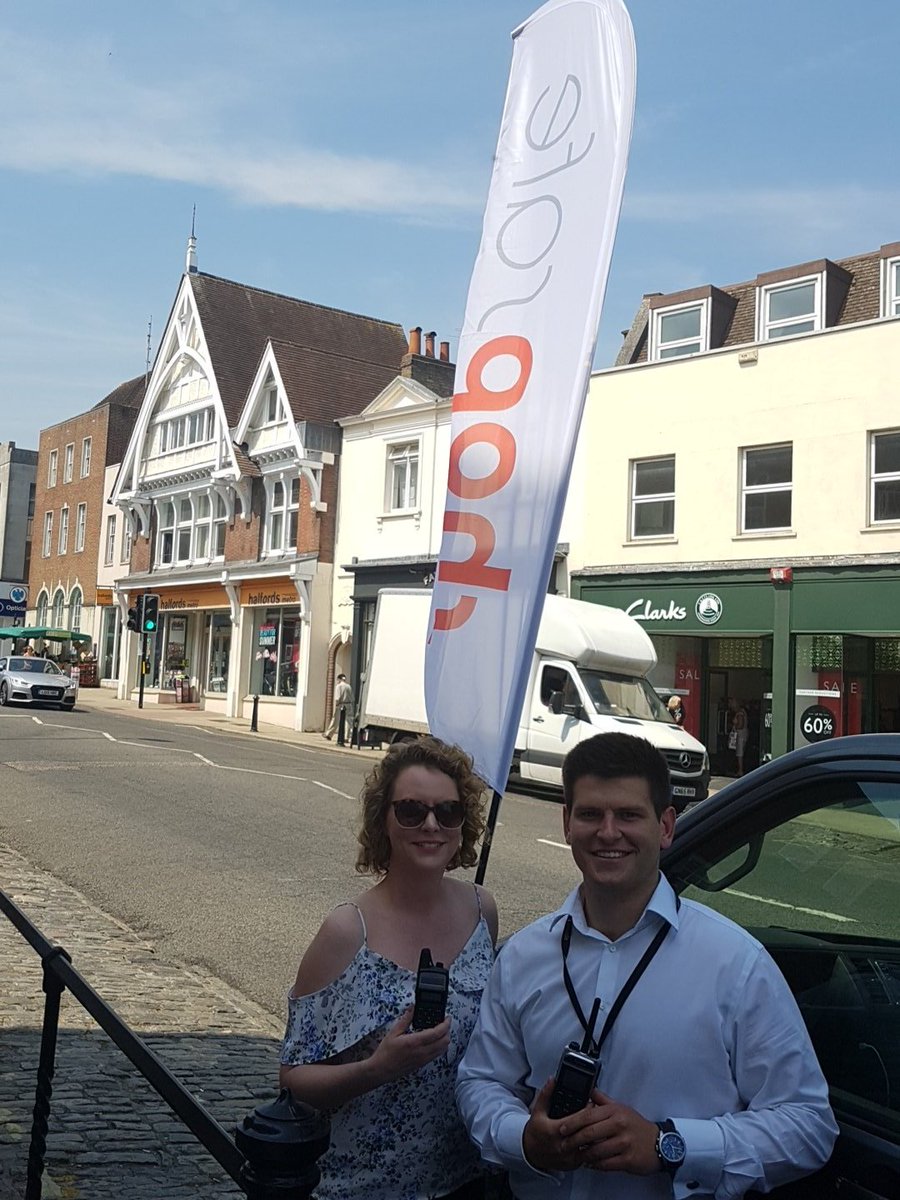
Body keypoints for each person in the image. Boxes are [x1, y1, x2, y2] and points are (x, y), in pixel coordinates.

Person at [456, 732, 837, 1200]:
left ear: (666, 827)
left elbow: (808, 1125)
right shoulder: (522, 958)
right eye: (591, 814)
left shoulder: (737, 964)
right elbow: (481, 1081)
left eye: (629, 815)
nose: (609, 831)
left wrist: (670, 1146)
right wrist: (524, 1139)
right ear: (566, 824)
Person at [280, 737, 498, 1200]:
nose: (432, 825)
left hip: (465, 1182)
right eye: (412, 811)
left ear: (464, 825)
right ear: (385, 820)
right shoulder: (346, 931)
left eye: (448, 812)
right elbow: (294, 1078)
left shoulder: (482, 911)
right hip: (363, 1188)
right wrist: (377, 1069)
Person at [323, 673, 353, 740]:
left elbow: (338, 697)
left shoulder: (338, 686)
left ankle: (329, 734)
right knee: (348, 721)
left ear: (339, 679)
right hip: (349, 705)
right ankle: (347, 737)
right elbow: (352, 697)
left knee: (335, 720)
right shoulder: (349, 686)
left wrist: (337, 705)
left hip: (341, 705)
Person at [730, 698, 749, 776]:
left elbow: (740, 725)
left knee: (739, 753)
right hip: (744, 734)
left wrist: (734, 727)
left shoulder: (740, 713)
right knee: (740, 752)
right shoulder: (742, 712)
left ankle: (740, 770)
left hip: (740, 735)